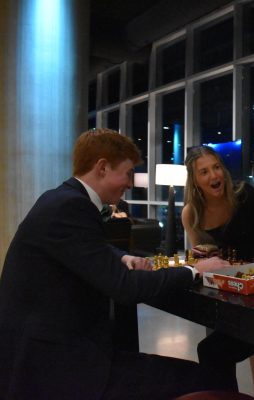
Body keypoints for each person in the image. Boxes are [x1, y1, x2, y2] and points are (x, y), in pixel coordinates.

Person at [0, 128, 228, 400]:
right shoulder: (72, 206)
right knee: (210, 378)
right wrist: (194, 270)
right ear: (103, 168)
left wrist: (119, 256)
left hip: (48, 353)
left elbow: (81, 248)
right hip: (59, 366)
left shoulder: (61, 198)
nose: (130, 183)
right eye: (127, 172)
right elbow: (126, 288)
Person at [182, 145, 254, 398]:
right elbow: (199, 257)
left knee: (214, 350)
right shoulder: (191, 213)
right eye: (204, 172)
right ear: (194, 180)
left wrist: (249, 268)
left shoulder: (247, 196)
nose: (214, 176)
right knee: (213, 347)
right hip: (227, 290)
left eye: (216, 167)